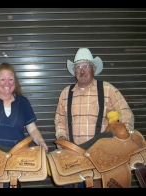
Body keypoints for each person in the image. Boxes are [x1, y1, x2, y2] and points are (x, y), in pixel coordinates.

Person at [54, 48, 134, 188]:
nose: (82, 70)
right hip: (74, 158)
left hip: (101, 159)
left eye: (86, 66)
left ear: (94, 69)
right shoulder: (66, 93)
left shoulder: (108, 90)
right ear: (74, 71)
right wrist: (62, 138)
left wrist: (117, 145)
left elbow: (127, 116)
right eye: (78, 67)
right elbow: (60, 120)